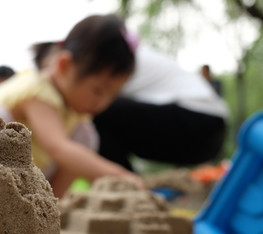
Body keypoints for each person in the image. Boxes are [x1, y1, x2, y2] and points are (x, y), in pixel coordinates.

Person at [0, 14, 143, 198]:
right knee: (75, 147)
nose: (103, 103)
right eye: (97, 91)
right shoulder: (37, 90)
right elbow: (59, 148)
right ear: (64, 66)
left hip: (15, 183)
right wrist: (121, 175)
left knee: (85, 138)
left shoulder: (78, 125)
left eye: (112, 96)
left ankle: (42, 208)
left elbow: (69, 162)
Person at [93, 46, 229, 172]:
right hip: (211, 129)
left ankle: (123, 187)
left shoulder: (118, 62)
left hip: (199, 121)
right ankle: (126, 185)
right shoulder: (129, 55)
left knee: (98, 111)